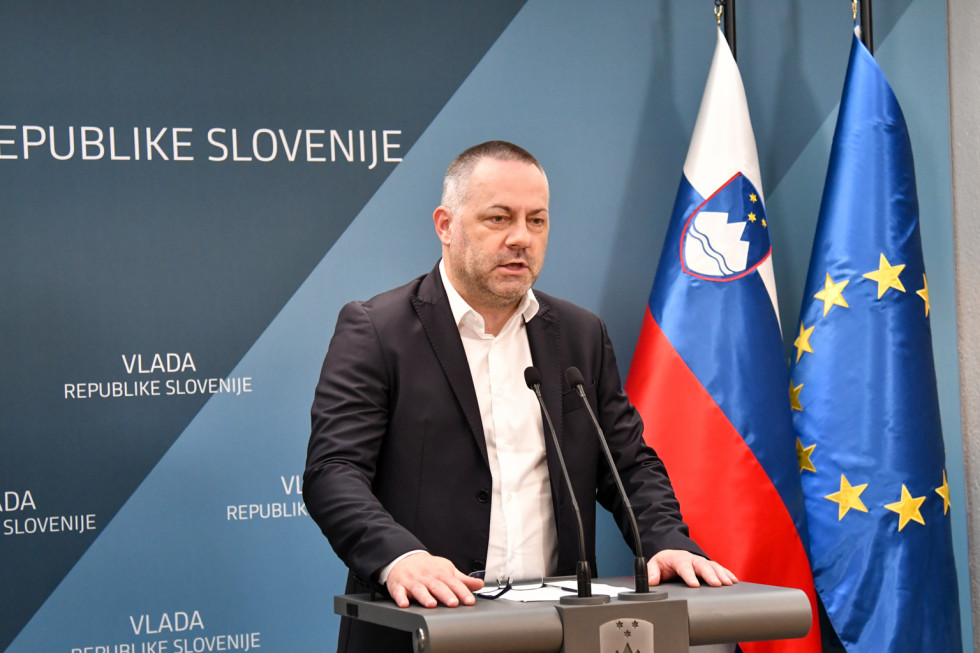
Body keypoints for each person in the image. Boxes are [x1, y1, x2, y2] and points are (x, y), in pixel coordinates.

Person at [304, 141, 736, 652]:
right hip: (423, 628)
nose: (521, 239)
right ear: (445, 225)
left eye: (537, 221)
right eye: (498, 218)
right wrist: (399, 557)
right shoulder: (378, 330)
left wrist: (666, 539)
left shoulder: (579, 335)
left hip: (556, 632)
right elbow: (333, 471)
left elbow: (628, 465)